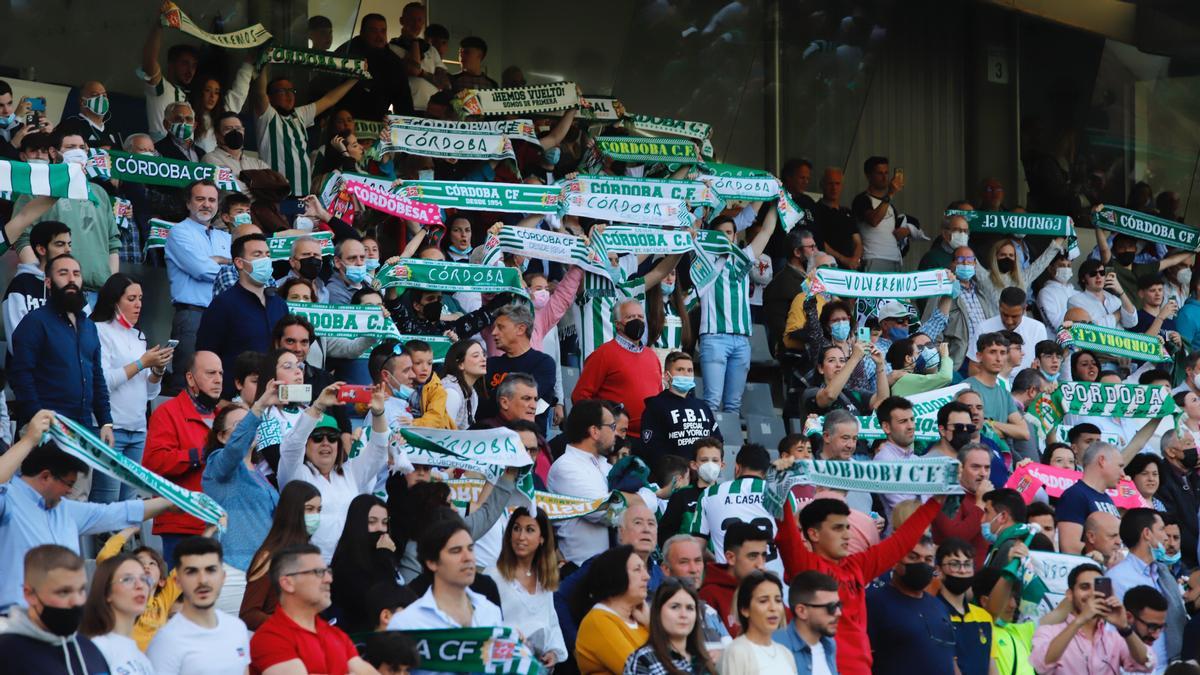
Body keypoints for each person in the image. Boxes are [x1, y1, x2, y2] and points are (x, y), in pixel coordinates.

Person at [777, 492, 948, 675]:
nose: (847, 535)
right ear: (814, 534)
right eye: (838, 528)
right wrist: (781, 484)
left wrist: (936, 501)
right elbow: (786, 531)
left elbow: (902, 541)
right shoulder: (805, 566)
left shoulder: (857, 566)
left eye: (847, 527)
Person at [277, 382, 391, 562]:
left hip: (349, 565)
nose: (325, 443)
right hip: (306, 564)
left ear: (339, 444)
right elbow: (292, 445)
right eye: (317, 438)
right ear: (306, 444)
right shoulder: (296, 474)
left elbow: (379, 448)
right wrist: (318, 406)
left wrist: (378, 413)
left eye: (332, 438)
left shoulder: (351, 472)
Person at [9, 254, 113, 437]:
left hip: (83, 429)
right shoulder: (35, 322)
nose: (72, 279)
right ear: (48, 283)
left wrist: (105, 422)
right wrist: (37, 418)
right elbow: (20, 375)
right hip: (45, 430)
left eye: (76, 274)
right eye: (63, 273)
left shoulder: (89, 326)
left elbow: (97, 376)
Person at [387, 518, 504, 673]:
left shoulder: (490, 612)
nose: (468, 557)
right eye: (456, 551)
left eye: (470, 548)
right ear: (431, 562)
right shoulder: (406, 623)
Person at [91, 273, 169, 504]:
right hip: (110, 428)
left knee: (130, 502)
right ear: (115, 301)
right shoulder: (98, 330)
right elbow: (103, 381)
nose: (138, 305)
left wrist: (157, 370)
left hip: (138, 429)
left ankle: (124, 542)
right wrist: (142, 363)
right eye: (131, 298)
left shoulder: (139, 336)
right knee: (107, 500)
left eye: (141, 299)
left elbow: (150, 393)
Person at [12, 132, 120, 295]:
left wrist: (111, 287)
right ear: (54, 152)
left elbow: (113, 244)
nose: (78, 151)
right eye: (70, 147)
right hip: (56, 290)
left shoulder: (99, 193)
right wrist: (40, 279)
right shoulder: (38, 188)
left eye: (82, 148)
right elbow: (21, 236)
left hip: (98, 294)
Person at [143, 350, 223, 563]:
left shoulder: (222, 417)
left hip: (218, 523)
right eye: (210, 373)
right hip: (182, 525)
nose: (218, 380)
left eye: (221, 374)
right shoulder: (167, 413)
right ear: (190, 378)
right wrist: (198, 455)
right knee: (180, 594)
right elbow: (153, 464)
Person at [249, 543, 375, 674]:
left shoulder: (336, 635)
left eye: (328, 571)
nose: (329, 579)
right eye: (319, 572)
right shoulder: (270, 638)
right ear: (288, 583)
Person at [698, 206, 777, 413]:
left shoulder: (743, 258)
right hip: (714, 338)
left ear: (735, 236)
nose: (725, 237)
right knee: (712, 403)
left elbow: (767, 232)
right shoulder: (704, 257)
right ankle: (707, 445)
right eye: (720, 233)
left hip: (741, 341)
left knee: (734, 406)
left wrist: (778, 201)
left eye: (729, 233)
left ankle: (725, 446)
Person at [200, 389, 280, 583]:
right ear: (222, 436)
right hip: (233, 568)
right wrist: (258, 407)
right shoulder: (217, 465)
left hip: (264, 570)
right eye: (240, 425)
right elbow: (235, 450)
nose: (249, 429)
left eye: (250, 423)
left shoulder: (260, 472)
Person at [147, 537, 253, 675]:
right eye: (192, 571)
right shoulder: (165, 641)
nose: (203, 580)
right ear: (177, 581)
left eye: (210, 570)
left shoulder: (237, 628)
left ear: (223, 577)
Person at [164, 179, 232, 393]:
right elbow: (201, 269)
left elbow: (241, 270)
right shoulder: (179, 232)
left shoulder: (225, 237)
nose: (206, 204)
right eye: (200, 199)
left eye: (212, 200)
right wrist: (225, 263)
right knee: (186, 380)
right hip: (192, 316)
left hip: (223, 316)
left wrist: (215, 261)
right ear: (188, 203)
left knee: (218, 380)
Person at [196, 233, 289, 388]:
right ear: (239, 262)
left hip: (274, 394)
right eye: (257, 254)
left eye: (267, 254)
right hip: (235, 398)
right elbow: (206, 354)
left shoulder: (279, 304)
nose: (265, 260)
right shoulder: (223, 305)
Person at [0, 545, 109, 674]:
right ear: (30, 594)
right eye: (64, 592)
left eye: (81, 590)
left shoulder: (89, 649)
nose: (76, 601)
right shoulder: (8, 654)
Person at [1029, 562, 1153, 673]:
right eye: (1085, 587)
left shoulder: (1114, 638)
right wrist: (1080, 620)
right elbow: (1040, 665)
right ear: (1070, 594)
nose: (1093, 594)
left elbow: (1147, 663)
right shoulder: (1049, 632)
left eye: (1097, 588)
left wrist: (1125, 628)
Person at [252, 66, 358, 195]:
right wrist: (262, 63)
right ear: (270, 97)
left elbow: (330, 99)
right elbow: (259, 93)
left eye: (291, 90)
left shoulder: (300, 114)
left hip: (303, 194)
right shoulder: (267, 116)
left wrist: (355, 78)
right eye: (282, 91)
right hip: (276, 195)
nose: (289, 95)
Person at [484, 506, 567, 669]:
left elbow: (550, 621)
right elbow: (483, 625)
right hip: (502, 665)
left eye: (529, 530)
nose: (521, 536)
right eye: (516, 529)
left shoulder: (545, 579)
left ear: (542, 538)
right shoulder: (493, 575)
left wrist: (553, 653)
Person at [691, 444, 787, 580]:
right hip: (774, 583)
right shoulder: (781, 493)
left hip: (729, 585)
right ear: (767, 472)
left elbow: (696, 546)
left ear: (737, 468)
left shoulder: (710, 494)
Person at [1108, 508, 1187, 668]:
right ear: (1147, 533)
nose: (1166, 537)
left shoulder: (1162, 573)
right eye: (1161, 529)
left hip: (1171, 666)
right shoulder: (1117, 577)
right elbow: (1112, 631)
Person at [547, 400, 624, 565]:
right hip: (580, 572)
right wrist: (632, 499)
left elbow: (648, 502)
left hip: (610, 570)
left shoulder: (605, 465)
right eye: (611, 427)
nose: (616, 433)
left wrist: (627, 499)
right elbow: (607, 512)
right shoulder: (565, 467)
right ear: (594, 431)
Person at [240, 481, 323, 630]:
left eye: (318, 510)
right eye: (309, 509)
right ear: (292, 512)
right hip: (277, 643)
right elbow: (249, 614)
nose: (315, 516)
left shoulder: (311, 554)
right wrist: (289, 626)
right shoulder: (268, 556)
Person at [574, 298, 663, 435]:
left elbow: (658, 398)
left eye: (640, 317)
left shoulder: (652, 356)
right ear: (618, 324)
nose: (637, 321)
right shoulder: (603, 354)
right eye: (630, 317)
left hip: (648, 437)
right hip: (616, 438)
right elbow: (580, 395)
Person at [330, 494, 407, 635]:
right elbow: (382, 600)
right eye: (372, 522)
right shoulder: (347, 564)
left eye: (384, 522)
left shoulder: (381, 554)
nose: (381, 529)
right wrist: (384, 555)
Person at [571, 544, 651, 674]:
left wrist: (650, 623)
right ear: (616, 575)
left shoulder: (642, 619)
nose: (647, 576)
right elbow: (641, 671)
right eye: (637, 569)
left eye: (645, 569)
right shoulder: (598, 621)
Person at [639, 351, 720, 466]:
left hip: (704, 473)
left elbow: (717, 441)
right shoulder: (656, 406)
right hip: (675, 477)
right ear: (667, 376)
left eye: (689, 370)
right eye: (680, 369)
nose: (686, 374)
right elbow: (652, 448)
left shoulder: (703, 406)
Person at [79, 553, 156, 674]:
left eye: (144, 579)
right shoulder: (97, 648)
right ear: (107, 592)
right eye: (127, 579)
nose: (140, 585)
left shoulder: (142, 658)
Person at [624, 579, 719, 675]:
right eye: (675, 607)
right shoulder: (644, 660)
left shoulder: (705, 659)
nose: (683, 614)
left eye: (690, 608)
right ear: (658, 612)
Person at [488, 302, 558, 430]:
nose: (493, 333)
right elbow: (482, 406)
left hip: (528, 442)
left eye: (500, 327)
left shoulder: (543, 363)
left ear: (520, 329)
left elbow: (523, 402)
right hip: (492, 438)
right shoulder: (490, 363)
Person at [3, 218, 70, 347]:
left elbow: (87, 336)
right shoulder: (21, 285)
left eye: (69, 244)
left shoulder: (71, 285)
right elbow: (16, 341)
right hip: (29, 365)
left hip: (67, 365)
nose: (68, 250)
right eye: (60, 244)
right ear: (41, 250)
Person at [933, 538, 995, 675]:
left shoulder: (983, 616)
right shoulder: (932, 613)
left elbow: (991, 663)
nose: (962, 570)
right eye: (954, 564)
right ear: (939, 570)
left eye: (967, 565)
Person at [718, 570, 797, 675]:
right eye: (763, 601)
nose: (773, 608)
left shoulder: (786, 653)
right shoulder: (736, 653)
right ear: (745, 609)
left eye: (778, 600)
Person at [698, 521, 771, 634]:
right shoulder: (709, 595)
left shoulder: (769, 589)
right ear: (731, 557)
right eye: (753, 556)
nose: (760, 564)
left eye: (764, 556)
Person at [1056, 442, 1124, 555]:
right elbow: (1070, 546)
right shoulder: (1075, 495)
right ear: (1102, 461)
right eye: (1120, 466)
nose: (1122, 473)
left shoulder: (1108, 499)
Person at [931, 443, 993, 565]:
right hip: (953, 574)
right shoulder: (948, 496)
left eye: (987, 468)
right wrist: (980, 504)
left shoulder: (988, 496)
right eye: (975, 467)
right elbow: (955, 538)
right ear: (960, 468)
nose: (983, 474)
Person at [965, 332, 1030, 443]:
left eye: (1003, 353)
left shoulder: (1004, 393)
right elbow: (973, 430)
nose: (999, 358)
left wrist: (990, 423)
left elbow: (1024, 432)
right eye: (992, 352)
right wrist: (1008, 431)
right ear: (979, 356)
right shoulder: (967, 388)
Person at [773, 570, 840, 675]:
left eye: (839, 605)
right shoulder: (774, 647)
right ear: (801, 611)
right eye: (831, 607)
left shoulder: (829, 644)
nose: (838, 613)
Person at [966, 287, 1047, 371]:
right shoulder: (983, 328)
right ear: (999, 306)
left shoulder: (1038, 329)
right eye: (1005, 315)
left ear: (1024, 309)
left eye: (1014, 316)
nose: (1009, 321)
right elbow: (974, 366)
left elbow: (1044, 365)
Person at [1156, 428, 1200, 570]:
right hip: (1183, 561)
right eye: (1188, 444)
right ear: (1171, 452)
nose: (1194, 448)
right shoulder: (1161, 479)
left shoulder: (1194, 474)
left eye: (1194, 443)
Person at [851, 156, 905, 272]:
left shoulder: (890, 206)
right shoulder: (862, 199)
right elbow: (874, 220)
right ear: (868, 175)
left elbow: (894, 234)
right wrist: (890, 194)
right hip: (873, 259)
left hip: (895, 259)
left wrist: (907, 231)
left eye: (886, 173)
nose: (884, 177)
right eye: (879, 173)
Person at [200, 111, 269, 191]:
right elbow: (231, 191)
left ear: (243, 131)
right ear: (217, 135)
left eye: (238, 128)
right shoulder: (210, 160)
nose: (235, 132)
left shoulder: (258, 164)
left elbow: (276, 185)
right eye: (228, 129)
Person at [1067, 258, 1139, 329]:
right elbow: (1091, 328)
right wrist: (1118, 315)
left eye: (1102, 273)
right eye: (1093, 274)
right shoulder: (1075, 301)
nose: (1098, 276)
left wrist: (1121, 292)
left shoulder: (1114, 299)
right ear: (1083, 279)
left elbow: (1132, 322)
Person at [814, 167, 862, 270]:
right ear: (822, 185)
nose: (834, 188)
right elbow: (819, 241)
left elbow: (858, 241)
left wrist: (855, 259)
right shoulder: (815, 210)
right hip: (826, 267)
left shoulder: (847, 212)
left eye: (837, 184)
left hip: (849, 269)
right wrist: (844, 259)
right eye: (830, 183)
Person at [441, 339, 487, 430]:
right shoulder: (451, 393)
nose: (483, 359)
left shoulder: (472, 393)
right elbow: (443, 434)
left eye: (483, 355)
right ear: (460, 364)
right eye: (476, 356)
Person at [918, 207, 970, 271]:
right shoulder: (932, 258)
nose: (963, 235)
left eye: (965, 231)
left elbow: (982, 278)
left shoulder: (969, 255)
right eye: (957, 230)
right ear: (945, 234)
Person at [1038, 254, 1077, 330]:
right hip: (1056, 340)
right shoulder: (1045, 293)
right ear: (1050, 268)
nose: (1066, 269)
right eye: (1062, 266)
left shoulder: (1077, 293)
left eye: (1069, 266)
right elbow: (1055, 324)